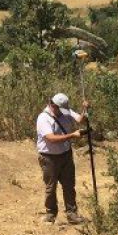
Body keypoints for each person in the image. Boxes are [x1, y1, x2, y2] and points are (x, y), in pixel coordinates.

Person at [36, 92, 90, 224]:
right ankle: (50, 214)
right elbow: (51, 138)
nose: (64, 111)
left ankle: (72, 214)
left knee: (69, 185)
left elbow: (80, 120)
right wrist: (72, 135)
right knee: (51, 187)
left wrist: (85, 109)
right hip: (49, 158)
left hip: (65, 155)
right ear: (53, 105)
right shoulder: (43, 118)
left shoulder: (66, 111)